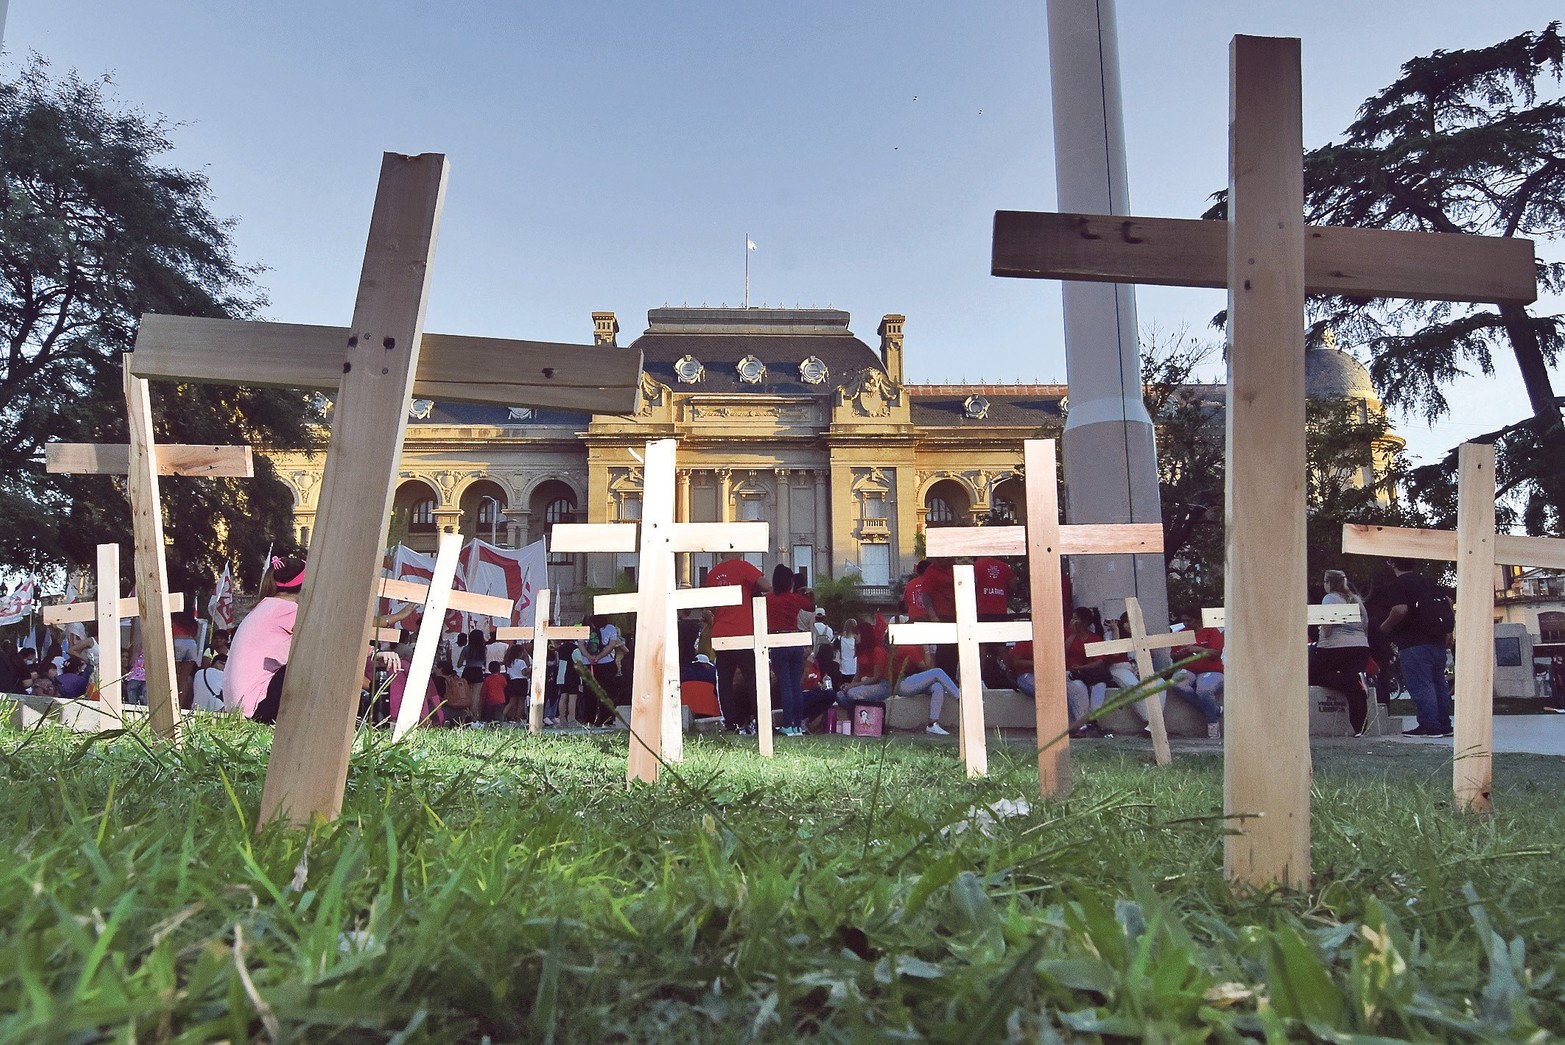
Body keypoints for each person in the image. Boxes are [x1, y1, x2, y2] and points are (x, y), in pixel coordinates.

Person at [225, 555, 307, 720]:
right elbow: (325, 640)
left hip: (239, 706)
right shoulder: (288, 610)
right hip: (257, 706)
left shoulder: (265, 607)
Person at [1381, 557, 1454, 737]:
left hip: (1413, 641)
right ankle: (1444, 724)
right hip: (1436, 639)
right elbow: (1448, 603)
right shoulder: (1428, 582)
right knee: (1439, 683)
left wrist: (1386, 626)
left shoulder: (1398, 584)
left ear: (1392, 563)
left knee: (1421, 684)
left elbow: (1400, 609)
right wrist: (1448, 633)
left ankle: (1429, 725)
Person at [705, 552, 771, 733]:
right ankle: (759, 719)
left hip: (722, 634)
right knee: (752, 678)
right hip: (744, 632)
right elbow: (766, 585)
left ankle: (730, 722)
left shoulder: (712, 574)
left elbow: (709, 606)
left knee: (724, 680)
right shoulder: (744, 567)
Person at [1309, 569, 1372, 734]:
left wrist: (1320, 628)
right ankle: (1360, 728)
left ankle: (1351, 679)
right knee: (1355, 688)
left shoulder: (1330, 598)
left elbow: (1328, 629)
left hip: (1334, 647)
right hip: (1360, 647)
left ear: (1330, 583)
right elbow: (1365, 625)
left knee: (1313, 675)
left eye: (1325, 581)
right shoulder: (1356, 599)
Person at [766, 564, 813, 736]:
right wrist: (805, 592)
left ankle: (787, 724)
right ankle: (797, 725)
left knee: (785, 684)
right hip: (795, 641)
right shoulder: (795, 599)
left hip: (778, 642)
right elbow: (810, 606)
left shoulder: (769, 599)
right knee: (795, 685)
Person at [1170, 611, 1224, 739]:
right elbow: (1173, 654)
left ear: (1198, 619)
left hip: (1212, 670)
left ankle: (1212, 723)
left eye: (1189, 620)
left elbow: (1216, 652)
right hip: (1189, 669)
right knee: (1177, 683)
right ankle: (1214, 710)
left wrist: (1199, 649)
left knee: (1204, 690)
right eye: (1184, 621)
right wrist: (1179, 654)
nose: (1186, 624)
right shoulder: (1182, 633)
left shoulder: (1211, 631)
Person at [888, 640, 960, 735]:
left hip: (914, 682)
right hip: (901, 684)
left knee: (937, 687)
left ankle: (932, 724)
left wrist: (930, 652)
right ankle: (961, 698)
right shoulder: (907, 647)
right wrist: (927, 650)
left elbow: (931, 667)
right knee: (938, 672)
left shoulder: (920, 648)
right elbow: (929, 669)